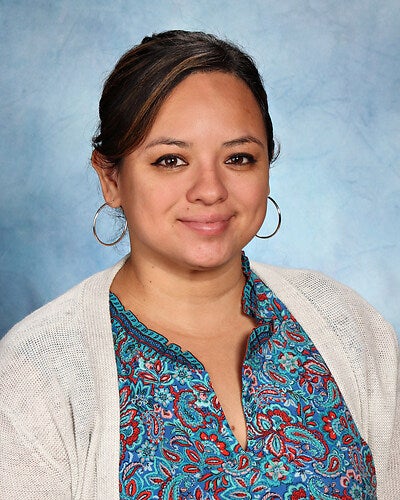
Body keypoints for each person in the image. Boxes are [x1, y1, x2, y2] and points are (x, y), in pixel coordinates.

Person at [0, 30, 398, 500]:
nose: (210, 190)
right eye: (171, 160)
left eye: (238, 158)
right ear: (111, 178)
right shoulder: (36, 372)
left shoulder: (347, 325)